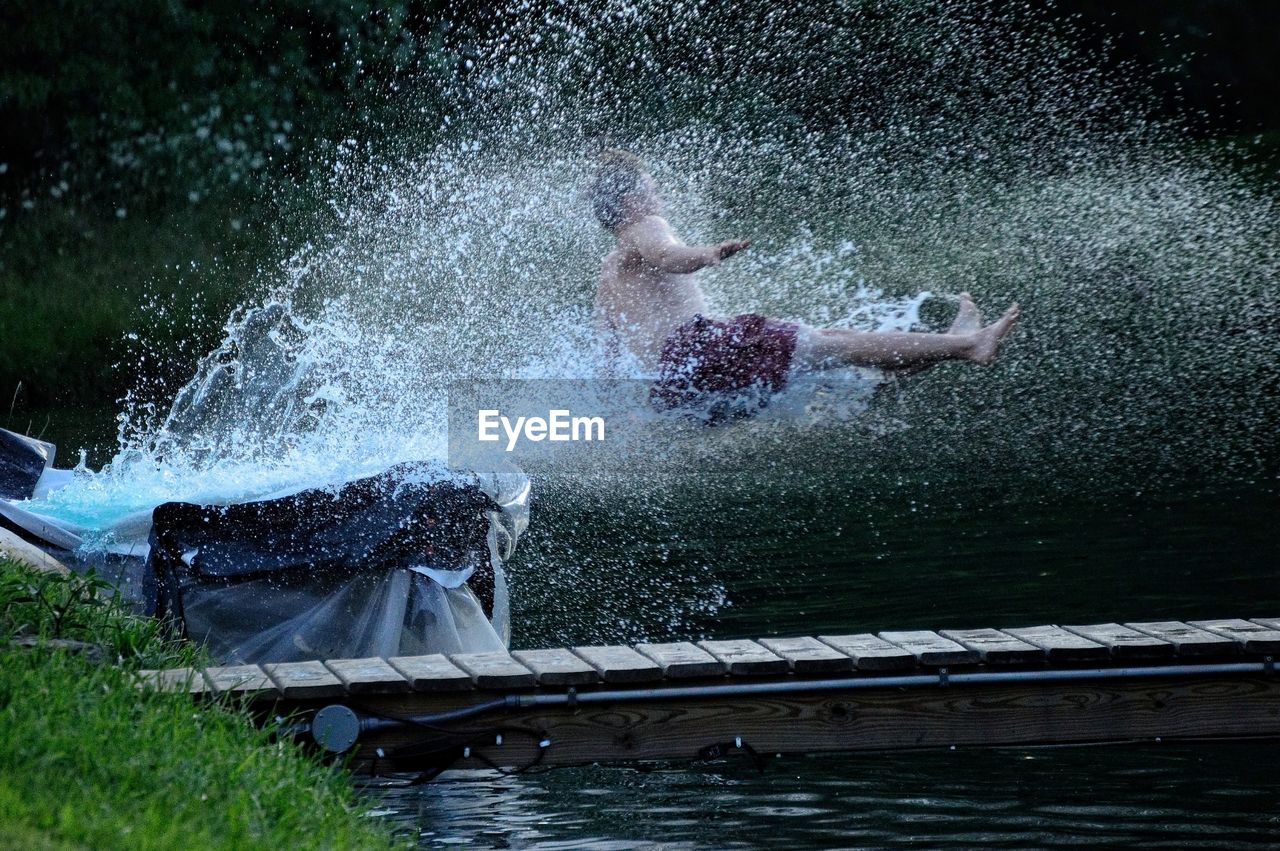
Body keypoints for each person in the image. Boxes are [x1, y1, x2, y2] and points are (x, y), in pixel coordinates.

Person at [589, 149, 1019, 420]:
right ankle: (969, 345)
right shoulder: (645, 226)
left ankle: (941, 350)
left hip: (680, 388)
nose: (659, 195)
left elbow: (606, 359)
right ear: (631, 202)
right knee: (835, 343)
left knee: (841, 360)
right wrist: (709, 253)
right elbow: (669, 256)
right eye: (651, 189)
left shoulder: (608, 276)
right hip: (702, 352)